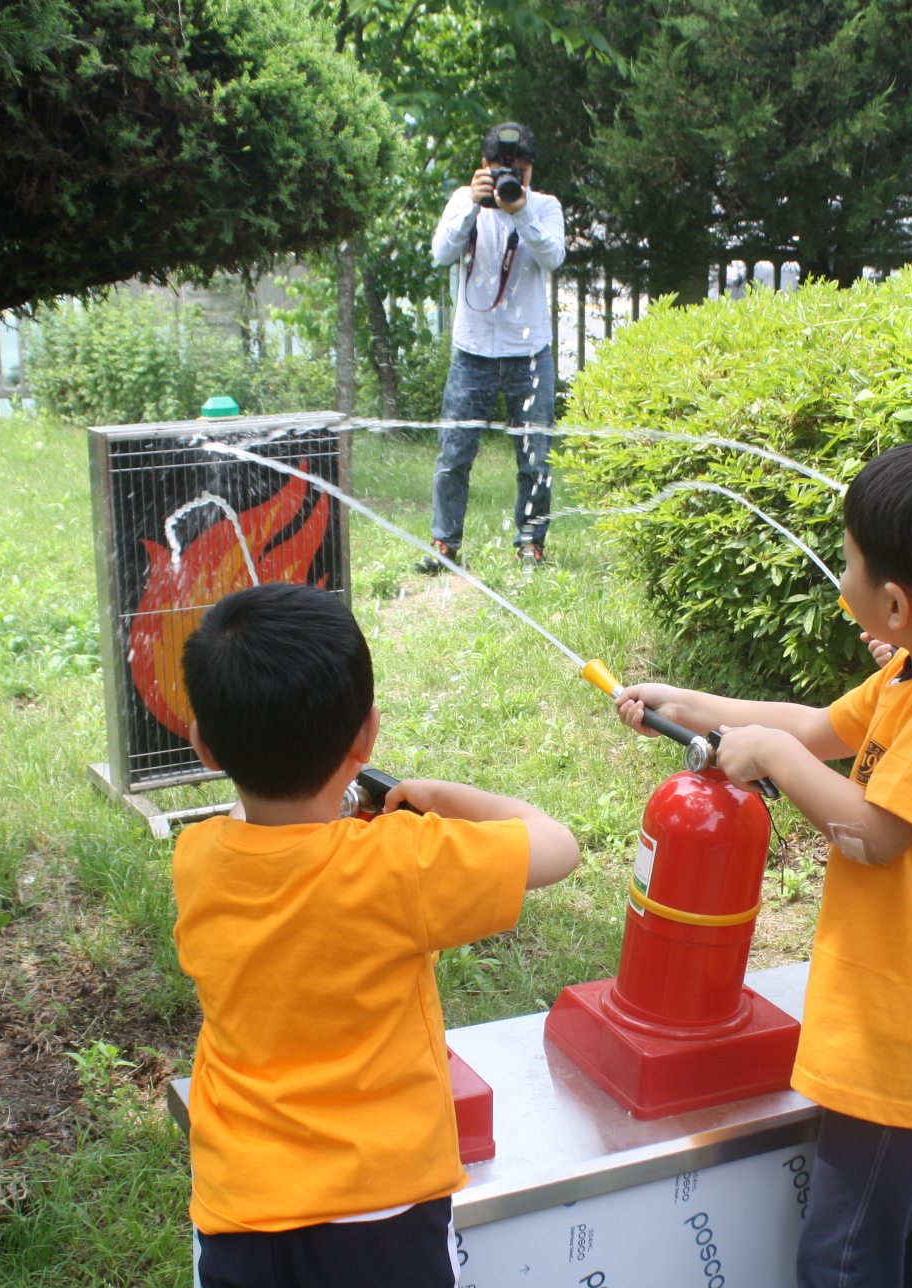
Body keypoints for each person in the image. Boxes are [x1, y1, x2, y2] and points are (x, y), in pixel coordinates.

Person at [612, 441, 912, 1288]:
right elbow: (817, 728)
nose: (839, 574)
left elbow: (875, 835)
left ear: (895, 603)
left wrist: (774, 758)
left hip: (908, 1051)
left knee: (846, 1258)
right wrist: (689, 703)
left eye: (847, 561)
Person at [171, 582, 581, 1288]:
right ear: (366, 736)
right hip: (381, 1212)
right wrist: (445, 800)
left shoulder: (198, 859)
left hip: (241, 1206)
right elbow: (557, 846)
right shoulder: (401, 863)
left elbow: (275, 852)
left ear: (205, 746)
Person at [421, 122, 567, 572]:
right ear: (485, 166)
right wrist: (471, 202)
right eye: (504, 170)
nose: (512, 179)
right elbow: (440, 253)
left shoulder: (545, 206)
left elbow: (553, 258)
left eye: (520, 172)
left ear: (531, 171)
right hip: (473, 352)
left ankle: (531, 543)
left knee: (536, 457)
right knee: (454, 454)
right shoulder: (464, 201)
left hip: (530, 353)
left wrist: (520, 211)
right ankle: (445, 544)